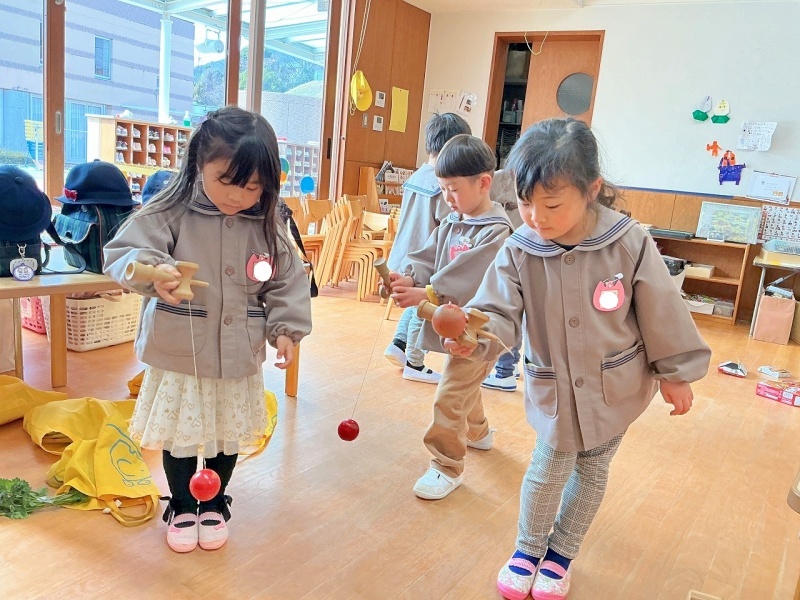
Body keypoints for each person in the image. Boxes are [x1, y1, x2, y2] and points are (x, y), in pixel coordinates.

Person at [443, 118, 711, 599]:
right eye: (525, 203)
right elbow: (497, 313)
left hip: (617, 387)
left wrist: (676, 373)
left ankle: (561, 554)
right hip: (556, 388)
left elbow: (661, 309)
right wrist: (474, 337)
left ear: (592, 190)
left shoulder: (628, 242)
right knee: (547, 468)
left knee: (592, 470)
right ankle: (528, 549)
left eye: (551, 205)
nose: (536, 217)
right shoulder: (518, 249)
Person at [103, 107, 312, 554]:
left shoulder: (268, 223)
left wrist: (286, 329)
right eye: (226, 181)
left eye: (252, 187)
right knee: (180, 434)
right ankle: (182, 505)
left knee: (225, 431)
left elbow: (287, 282)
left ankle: (214, 503)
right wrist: (154, 272)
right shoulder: (171, 210)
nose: (238, 196)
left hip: (238, 352)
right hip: (181, 350)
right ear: (199, 162)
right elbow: (124, 252)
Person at [384, 134, 514, 500]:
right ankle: (479, 432)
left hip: (480, 330)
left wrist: (428, 293)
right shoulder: (454, 221)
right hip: (453, 326)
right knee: (463, 385)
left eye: (453, 189)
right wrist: (409, 277)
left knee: (450, 394)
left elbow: (467, 276)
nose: (447, 198)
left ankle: (446, 465)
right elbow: (428, 257)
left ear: (483, 183)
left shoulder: (497, 231)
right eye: (443, 189)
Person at [383, 112, 471, 384]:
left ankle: (398, 345)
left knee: (415, 305)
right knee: (425, 309)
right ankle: (415, 362)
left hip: (404, 251)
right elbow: (448, 226)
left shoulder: (418, 175)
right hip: (425, 257)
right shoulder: (443, 183)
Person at [482, 168, 523, 392]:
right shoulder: (499, 178)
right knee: (515, 312)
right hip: (512, 253)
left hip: (514, 254)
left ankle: (504, 372)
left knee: (509, 312)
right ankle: (510, 365)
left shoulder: (500, 179)